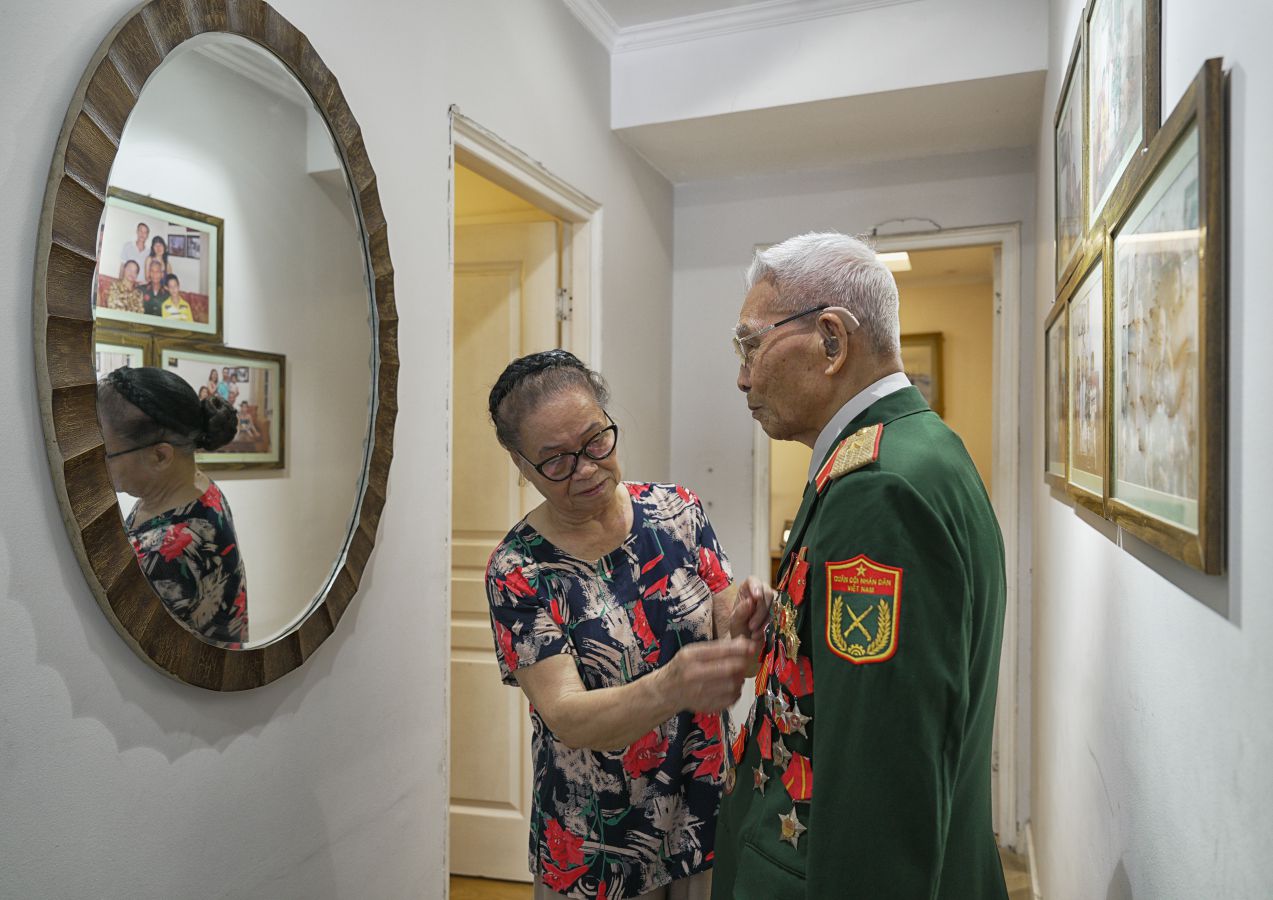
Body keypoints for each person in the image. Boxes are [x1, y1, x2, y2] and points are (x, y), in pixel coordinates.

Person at [711, 233, 1008, 899]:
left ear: (830, 341)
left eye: (750, 345)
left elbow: (881, 770)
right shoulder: (916, 445)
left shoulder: (876, 487)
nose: (742, 377)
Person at [484, 350, 765, 900]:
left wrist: (752, 625)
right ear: (521, 463)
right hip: (595, 837)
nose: (587, 469)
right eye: (556, 461)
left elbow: (734, 639)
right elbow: (567, 717)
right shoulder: (519, 570)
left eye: (596, 441)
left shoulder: (678, 512)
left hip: (702, 807)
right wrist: (672, 686)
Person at [98, 366, 249, 648]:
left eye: (106, 452)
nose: (98, 462)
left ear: (160, 456)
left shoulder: (166, 553)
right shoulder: (199, 488)